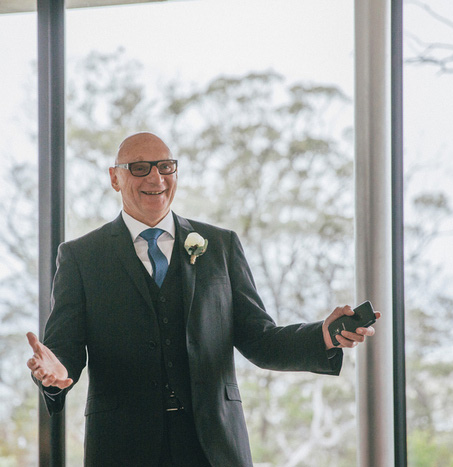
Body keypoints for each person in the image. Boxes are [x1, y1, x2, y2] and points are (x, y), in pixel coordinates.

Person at [26, 132, 380, 466]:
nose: (156, 178)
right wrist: (54, 373)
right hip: (122, 447)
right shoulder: (81, 256)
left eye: (166, 167)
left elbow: (260, 339)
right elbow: (62, 353)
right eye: (139, 168)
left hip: (214, 447)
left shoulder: (221, 245)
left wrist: (323, 334)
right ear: (114, 178)